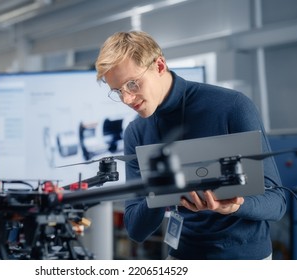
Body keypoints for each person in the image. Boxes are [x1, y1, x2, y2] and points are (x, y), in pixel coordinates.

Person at [94, 30, 286, 260]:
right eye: (117, 91)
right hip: (183, 255)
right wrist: (160, 192)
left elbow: (277, 203)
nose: (126, 99)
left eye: (132, 84)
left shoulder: (232, 107)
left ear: (160, 66)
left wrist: (236, 205)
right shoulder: (137, 132)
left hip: (245, 257)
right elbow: (136, 229)